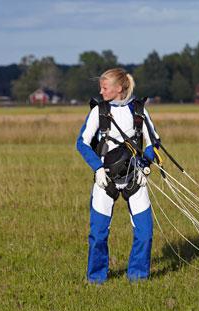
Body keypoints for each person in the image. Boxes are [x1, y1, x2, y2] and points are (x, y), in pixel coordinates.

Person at [76, 68, 159, 284]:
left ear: (118, 88)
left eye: (104, 88)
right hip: (106, 180)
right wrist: (97, 168)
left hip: (135, 177)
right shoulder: (99, 112)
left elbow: (153, 143)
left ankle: (138, 277)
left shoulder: (139, 110)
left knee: (145, 232)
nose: (101, 92)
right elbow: (82, 143)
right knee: (98, 234)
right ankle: (96, 278)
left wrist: (145, 165)